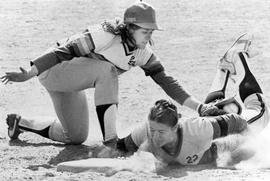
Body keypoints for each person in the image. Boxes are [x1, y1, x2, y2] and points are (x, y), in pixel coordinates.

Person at [1, 2, 218, 145]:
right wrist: (30, 73)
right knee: (107, 70)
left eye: (151, 32)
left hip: (72, 81)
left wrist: (200, 107)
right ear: (129, 27)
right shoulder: (104, 35)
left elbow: (167, 81)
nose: (148, 36)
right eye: (145, 31)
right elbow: (62, 52)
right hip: (53, 70)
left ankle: (21, 123)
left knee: (75, 137)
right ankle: (111, 140)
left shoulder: (142, 53)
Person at [112, 34, 270, 165]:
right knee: (211, 110)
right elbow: (120, 147)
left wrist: (252, 145)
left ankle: (238, 55)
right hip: (209, 133)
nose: (155, 136)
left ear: (175, 128)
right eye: (153, 131)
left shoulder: (197, 130)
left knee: (260, 109)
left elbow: (237, 122)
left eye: (161, 132)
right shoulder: (146, 132)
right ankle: (224, 69)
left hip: (232, 130)